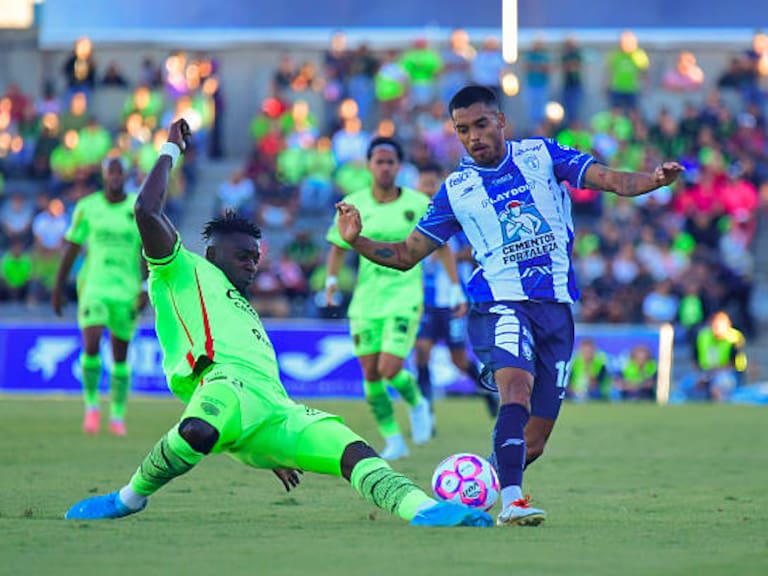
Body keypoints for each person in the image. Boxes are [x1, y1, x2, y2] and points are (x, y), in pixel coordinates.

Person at [64, 119, 492, 529]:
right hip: (221, 387)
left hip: (277, 409)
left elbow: (262, 394)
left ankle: (424, 509)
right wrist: (171, 148)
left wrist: (274, 453)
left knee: (352, 449)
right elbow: (145, 209)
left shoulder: (244, 309)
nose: (252, 265)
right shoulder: (182, 269)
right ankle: (128, 498)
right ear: (212, 255)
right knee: (197, 430)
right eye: (242, 257)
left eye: (256, 258)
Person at [334, 85, 684, 526]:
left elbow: (611, 180)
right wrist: (358, 241)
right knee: (515, 388)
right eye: (463, 130)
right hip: (498, 302)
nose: (473, 136)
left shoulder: (541, 155)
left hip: (555, 309)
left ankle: (471, 490)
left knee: (534, 441)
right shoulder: (456, 190)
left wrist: (653, 180)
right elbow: (406, 255)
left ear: (501, 121)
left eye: (481, 124)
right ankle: (513, 502)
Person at [325, 137, 447, 461]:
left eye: (390, 162)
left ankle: (417, 403)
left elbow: (441, 244)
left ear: (399, 167)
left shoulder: (418, 202)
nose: (384, 167)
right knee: (371, 374)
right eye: (379, 161)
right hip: (367, 299)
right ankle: (393, 439)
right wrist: (332, 281)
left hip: (405, 295)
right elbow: (338, 246)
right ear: (369, 166)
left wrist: (453, 286)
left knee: (390, 368)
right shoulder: (353, 203)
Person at [52, 157, 147, 436]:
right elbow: (71, 248)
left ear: (126, 176)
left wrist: (145, 287)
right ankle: (92, 405)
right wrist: (58, 288)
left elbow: (147, 251)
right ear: (104, 175)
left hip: (127, 290)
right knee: (91, 342)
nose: (115, 176)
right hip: (94, 286)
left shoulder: (137, 208)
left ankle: (117, 414)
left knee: (120, 354)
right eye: (111, 172)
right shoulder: (88, 207)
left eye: (120, 172)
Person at [413, 163, 499, 422]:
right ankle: (426, 414)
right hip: (426, 301)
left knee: (458, 359)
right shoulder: (414, 220)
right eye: (423, 185)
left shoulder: (456, 218)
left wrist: (446, 255)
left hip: (453, 301)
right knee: (421, 352)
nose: (427, 190)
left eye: (431, 185)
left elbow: (475, 250)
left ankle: (486, 392)